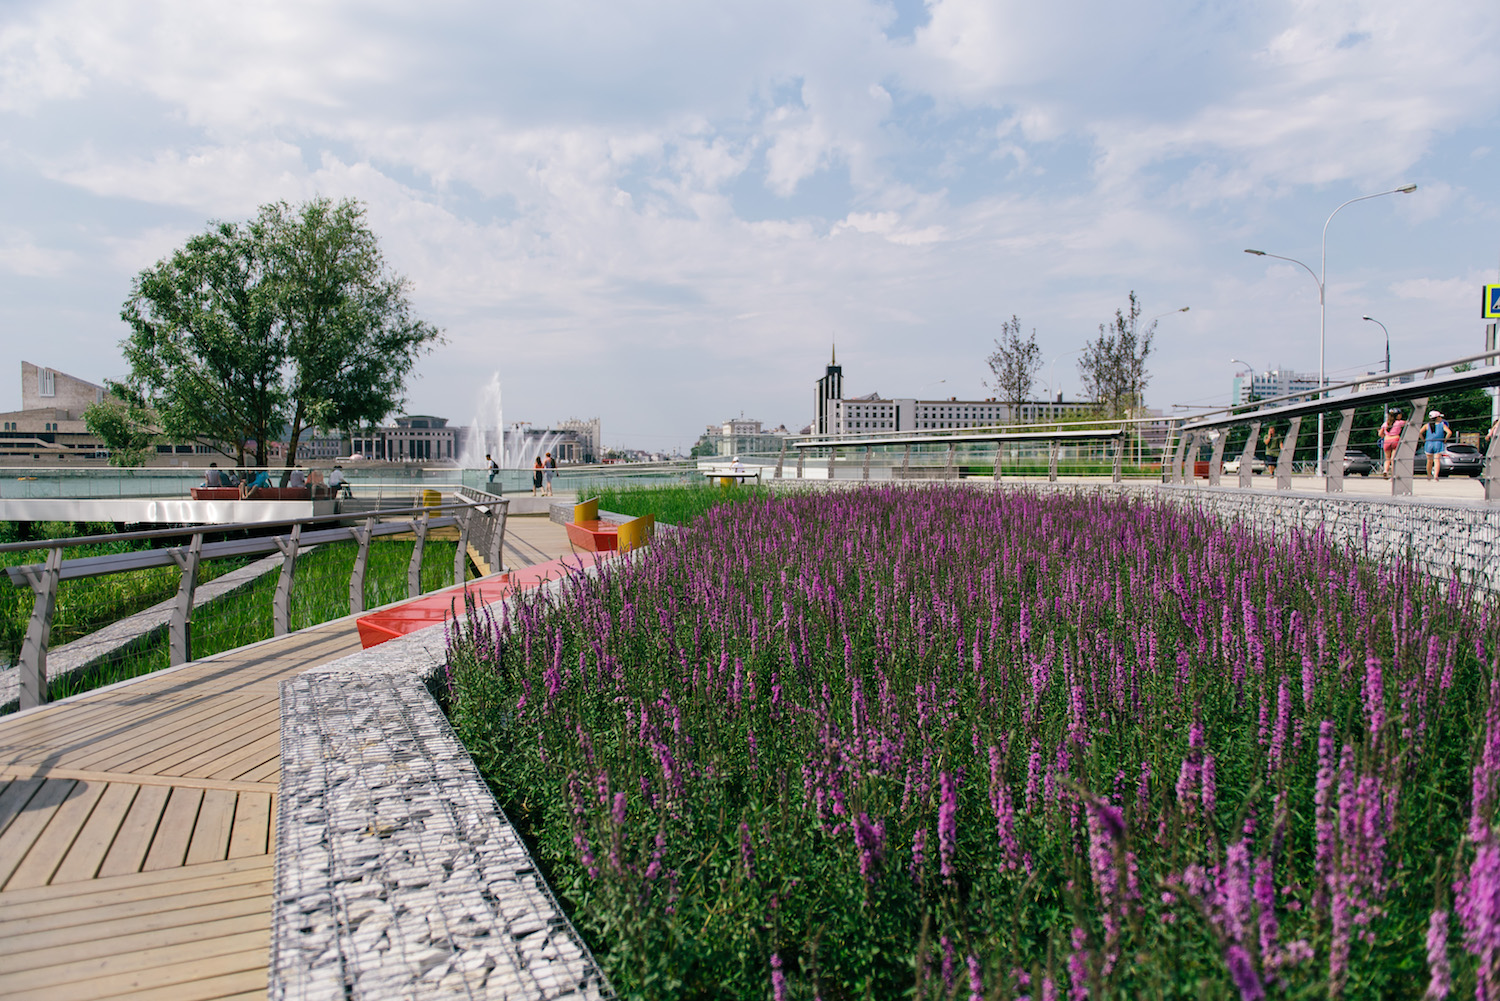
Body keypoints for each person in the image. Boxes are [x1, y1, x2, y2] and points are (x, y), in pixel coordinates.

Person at [1420, 409, 1451, 481]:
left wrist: (1423, 440)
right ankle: (1436, 476)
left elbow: (1420, 432)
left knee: (1429, 461)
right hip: (1438, 443)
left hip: (1428, 443)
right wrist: (1445, 440)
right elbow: (1449, 432)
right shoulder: (1442, 425)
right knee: (1436, 460)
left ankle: (1428, 475)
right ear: (1437, 417)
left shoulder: (1427, 425)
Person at [1380, 409, 1405, 478]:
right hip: (1395, 439)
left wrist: (1384, 436)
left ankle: (1385, 470)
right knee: (1393, 459)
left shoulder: (1385, 424)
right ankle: (1393, 475)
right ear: (1397, 415)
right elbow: (1408, 423)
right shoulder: (1399, 422)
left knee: (1387, 459)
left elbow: (1380, 433)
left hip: (1387, 440)